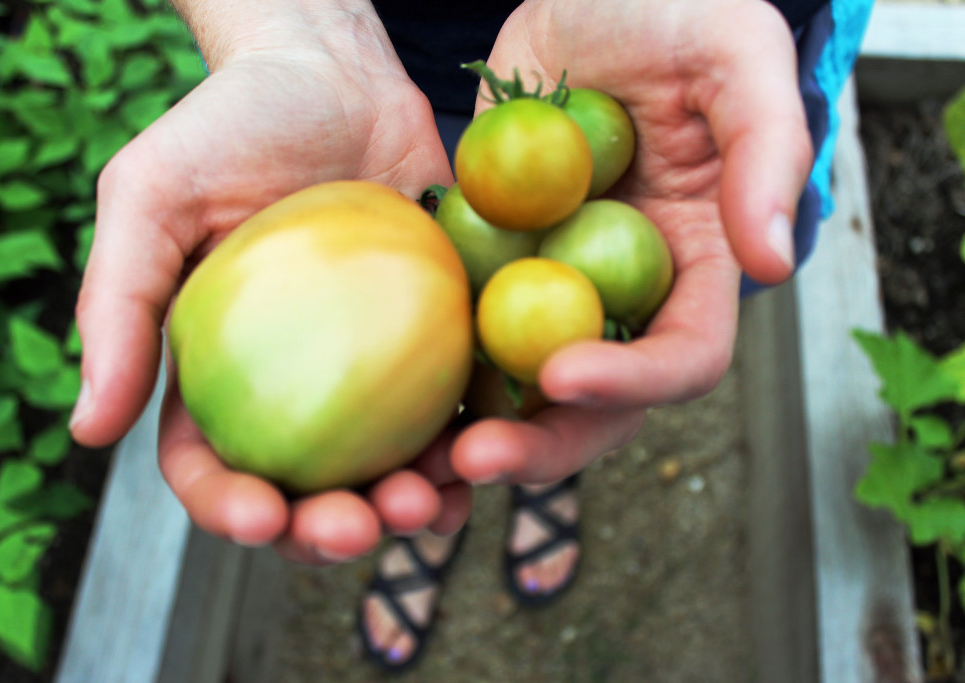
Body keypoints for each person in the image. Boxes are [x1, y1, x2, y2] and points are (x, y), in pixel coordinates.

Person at [67, 0, 872, 669]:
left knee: (576, 366)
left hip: (668, 60)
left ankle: (533, 424)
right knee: (501, 372)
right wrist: (291, 23)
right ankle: (478, 426)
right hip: (372, 61)